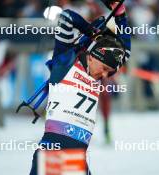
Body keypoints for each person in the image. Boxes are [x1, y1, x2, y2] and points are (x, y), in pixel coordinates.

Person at [29, 1, 131, 174]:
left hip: (76, 158)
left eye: (109, 71)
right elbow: (67, 17)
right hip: (52, 155)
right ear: (92, 56)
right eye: (105, 69)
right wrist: (92, 32)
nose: (106, 75)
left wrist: (121, 16)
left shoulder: (96, 77)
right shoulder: (64, 62)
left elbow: (125, 53)